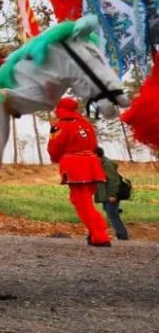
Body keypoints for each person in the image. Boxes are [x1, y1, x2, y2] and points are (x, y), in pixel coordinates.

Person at [46, 99, 111, 247]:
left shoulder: (58, 126)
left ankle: (99, 235)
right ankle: (94, 232)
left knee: (81, 202)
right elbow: (94, 146)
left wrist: (56, 159)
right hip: (93, 165)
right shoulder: (87, 125)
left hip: (74, 167)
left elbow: (54, 148)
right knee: (85, 201)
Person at [94, 147, 130, 241]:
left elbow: (113, 181)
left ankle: (122, 237)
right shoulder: (101, 163)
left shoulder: (107, 165)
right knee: (111, 213)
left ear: (96, 155)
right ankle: (121, 235)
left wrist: (113, 195)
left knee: (112, 215)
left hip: (111, 195)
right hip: (107, 194)